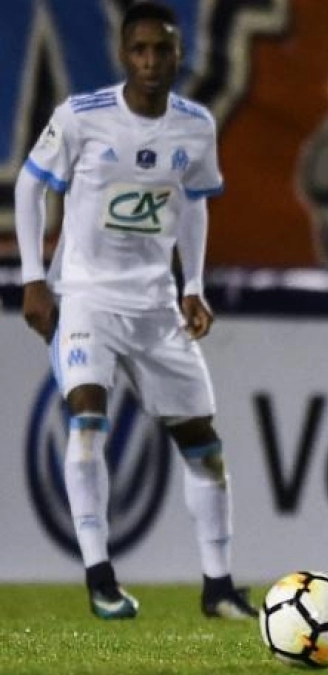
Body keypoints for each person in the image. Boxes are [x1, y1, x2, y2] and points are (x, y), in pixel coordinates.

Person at [14, 1, 257, 621]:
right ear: (124, 55)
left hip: (154, 304)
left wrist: (193, 284)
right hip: (87, 296)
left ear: (180, 55)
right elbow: (29, 184)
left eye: (163, 50)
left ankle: (218, 586)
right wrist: (35, 279)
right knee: (87, 420)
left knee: (204, 445)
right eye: (140, 50)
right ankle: (100, 575)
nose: (151, 61)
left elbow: (196, 203)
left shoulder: (194, 127)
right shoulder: (81, 118)